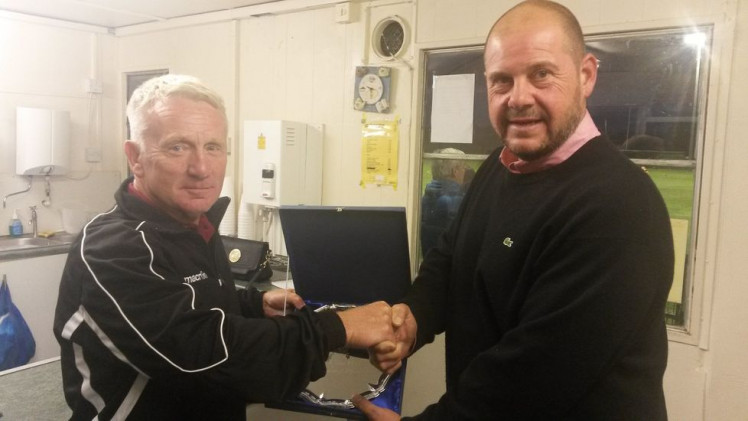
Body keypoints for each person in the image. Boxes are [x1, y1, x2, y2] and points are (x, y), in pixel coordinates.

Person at [357, 1, 675, 419]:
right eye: (501, 80)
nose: (518, 98)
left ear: (586, 75)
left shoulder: (618, 206)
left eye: (541, 74)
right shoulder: (498, 165)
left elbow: (535, 375)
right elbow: (452, 263)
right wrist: (413, 320)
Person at [53, 74, 395, 420]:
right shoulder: (111, 249)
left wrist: (252, 304)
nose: (201, 168)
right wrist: (340, 328)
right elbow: (204, 355)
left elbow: (188, 300)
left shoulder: (193, 223)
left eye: (213, 147)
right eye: (178, 147)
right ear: (135, 156)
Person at [420, 148, 467, 255]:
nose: (465, 172)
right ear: (455, 171)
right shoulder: (456, 200)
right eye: (464, 167)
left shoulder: (427, 196)